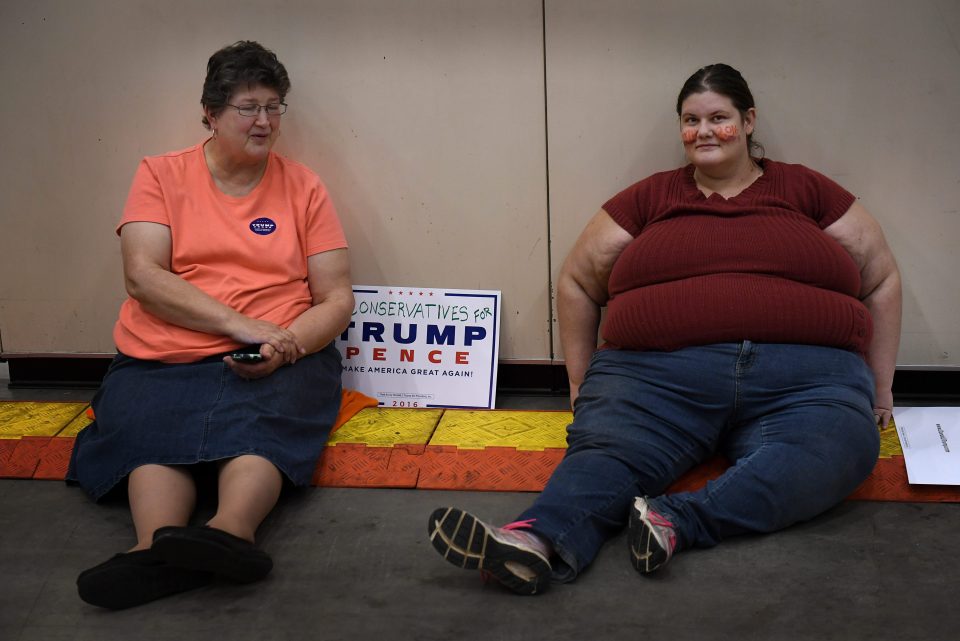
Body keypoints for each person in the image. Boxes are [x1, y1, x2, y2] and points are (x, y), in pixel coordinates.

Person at [428, 63, 901, 595]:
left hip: (805, 379)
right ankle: (534, 540)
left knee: (837, 448)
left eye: (719, 118)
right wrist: (580, 385)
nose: (704, 131)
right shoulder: (649, 198)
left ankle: (678, 520)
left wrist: (881, 389)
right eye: (690, 120)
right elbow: (579, 281)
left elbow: (879, 276)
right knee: (609, 451)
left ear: (748, 121)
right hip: (656, 377)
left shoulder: (806, 189)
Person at [68, 41, 354, 609]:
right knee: (150, 424)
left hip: (277, 350)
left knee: (261, 424)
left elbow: (336, 297)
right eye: (248, 107)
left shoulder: (305, 187)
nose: (264, 121)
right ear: (211, 112)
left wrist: (289, 343)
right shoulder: (160, 174)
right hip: (165, 350)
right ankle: (155, 547)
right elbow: (142, 276)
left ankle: (228, 534)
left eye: (274, 107)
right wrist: (238, 323)